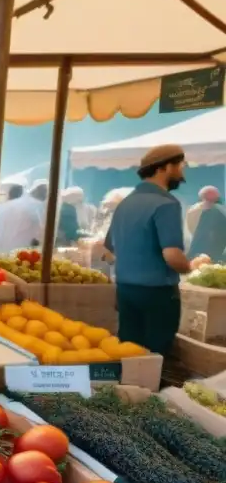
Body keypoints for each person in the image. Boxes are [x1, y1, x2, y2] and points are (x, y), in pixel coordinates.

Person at [104, 144, 211, 356]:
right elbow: (172, 255)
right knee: (155, 357)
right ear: (165, 168)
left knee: (128, 354)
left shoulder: (125, 203)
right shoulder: (165, 203)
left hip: (125, 291)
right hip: (157, 295)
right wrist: (190, 266)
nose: (182, 173)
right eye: (180, 166)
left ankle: (128, 389)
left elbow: (108, 252)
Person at [0, 180, 46, 253]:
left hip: (0, 253)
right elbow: (40, 232)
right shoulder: (35, 206)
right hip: (24, 254)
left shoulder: (0, 208)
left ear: (9, 195)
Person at [187, 186, 226, 262]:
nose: (211, 204)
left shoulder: (217, 211)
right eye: (209, 200)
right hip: (204, 256)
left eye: (215, 201)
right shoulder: (201, 210)